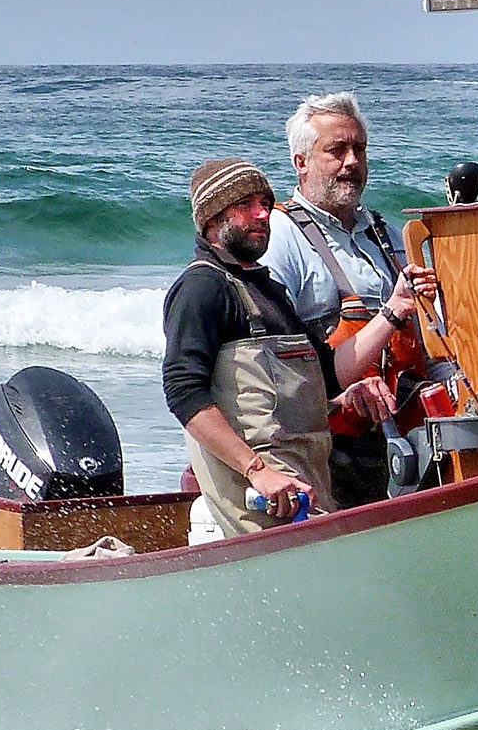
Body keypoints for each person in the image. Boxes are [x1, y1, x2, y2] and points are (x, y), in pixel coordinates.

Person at [162, 156, 396, 539]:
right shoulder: (203, 288)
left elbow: (327, 372)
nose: (262, 214)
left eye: (265, 204)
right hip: (263, 501)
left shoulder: (269, 290)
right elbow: (184, 394)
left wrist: (344, 397)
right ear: (212, 220)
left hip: (307, 487)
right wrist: (259, 472)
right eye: (245, 206)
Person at [259, 92, 440, 507]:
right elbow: (275, 365)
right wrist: (392, 312)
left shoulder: (386, 232)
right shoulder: (280, 238)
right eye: (336, 151)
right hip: (332, 445)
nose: (352, 162)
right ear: (300, 162)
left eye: (359, 149)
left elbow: (430, 333)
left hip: (404, 432)